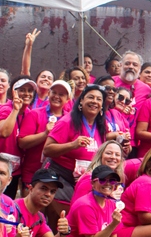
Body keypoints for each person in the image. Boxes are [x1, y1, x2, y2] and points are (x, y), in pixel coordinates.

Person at [43, 84, 106, 224]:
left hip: (84, 180)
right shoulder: (67, 122)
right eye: (90, 97)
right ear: (81, 101)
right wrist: (73, 145)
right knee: (67, 218)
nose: (94, 101)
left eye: (99, 99)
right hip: (60, 177)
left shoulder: (101, 126)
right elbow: (47, 149)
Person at [18, 80, 71, 189]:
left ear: (68, 99)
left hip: (59, 173)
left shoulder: (70, 120)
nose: (56, 96)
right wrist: (45, 134)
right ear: (48, 94)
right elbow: (22, 143)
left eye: (61, 94)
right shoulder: (35, 114)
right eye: (54, 92)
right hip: (32, 171)